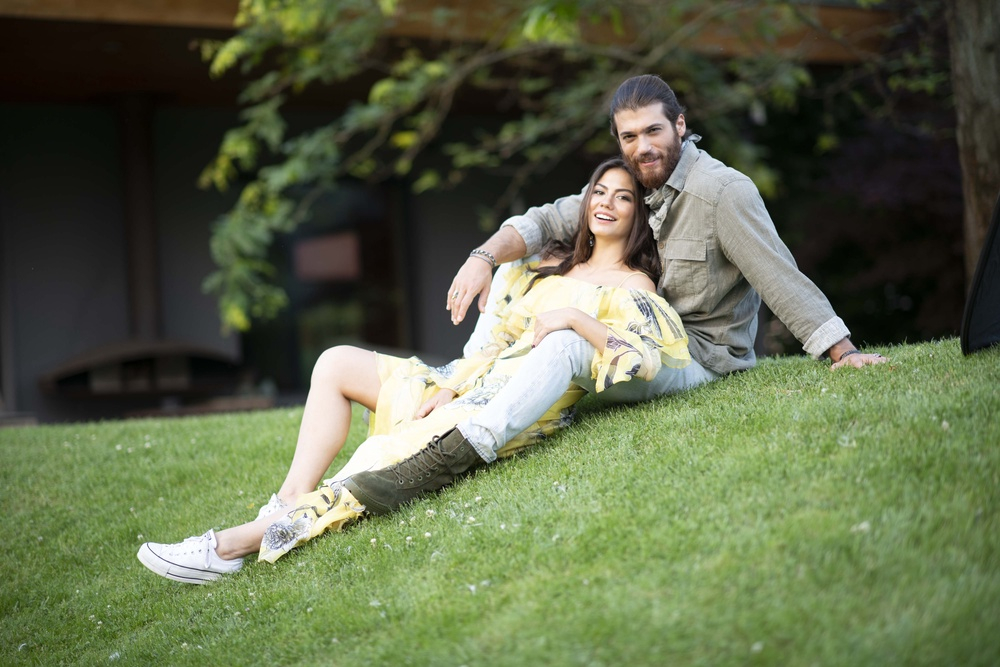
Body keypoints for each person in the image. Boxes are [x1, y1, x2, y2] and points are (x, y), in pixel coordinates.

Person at [341, 73, 889, 515]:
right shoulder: (629, 182)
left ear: (680, 125)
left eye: (653, 132)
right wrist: (482, 257)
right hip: (625, 340)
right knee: (527, 261)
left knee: (568, 340)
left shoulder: (723, 193)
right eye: (629, 138)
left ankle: (459, 451)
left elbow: (778, 274)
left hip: (694, 357)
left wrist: (840, 350)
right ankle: (461, 385)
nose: (642, 148)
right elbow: (544, 221)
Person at [137, 158, 690, 583]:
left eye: (623, 197)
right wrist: (448, 385)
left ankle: (228, 547)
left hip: (512, 406)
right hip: (465, 384)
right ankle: (286, 502)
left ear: (638, 214)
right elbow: (491, 343)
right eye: (600, 191)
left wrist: (574, 318)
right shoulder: (546, 266)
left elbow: (641, 359)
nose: (607, 203)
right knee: (334, 362)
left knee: (381, 456)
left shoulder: (632, 285)